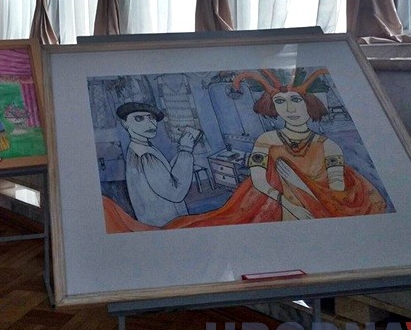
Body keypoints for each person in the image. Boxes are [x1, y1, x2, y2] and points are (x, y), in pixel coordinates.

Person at [165, 68, 387, 229]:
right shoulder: (267, 140)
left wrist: (297, 184)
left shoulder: (329, 146)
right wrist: (290, 204)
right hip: (275, 205)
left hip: (320, 210)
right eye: (280, 102)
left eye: (295, 101)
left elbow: (335, 191)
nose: (289, 109)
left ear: (308, 103)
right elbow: (259, 181)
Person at [116, 101, 200, 227]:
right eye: (139, 118)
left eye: (152, 118)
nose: (150, 124)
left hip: (156, 221)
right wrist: (185, 150)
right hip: (166, 223)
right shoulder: (144, 155)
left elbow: (166, 174)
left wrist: (182, 150)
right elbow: (176, 194)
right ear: (125, 123)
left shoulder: (138, 147)